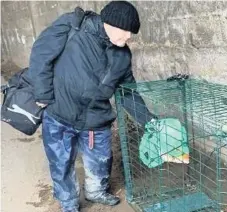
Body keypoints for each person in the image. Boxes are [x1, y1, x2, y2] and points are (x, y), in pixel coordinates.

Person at [27, 1, 153, 212]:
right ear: (110, 23)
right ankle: (68, 203)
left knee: (100, 160)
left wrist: (148, 120)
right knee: (61, 163)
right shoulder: (73, 26)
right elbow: (41, 55)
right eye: (126, 30)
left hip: (96, 119)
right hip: (60, 112)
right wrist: (42, 94)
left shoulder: (122, 56)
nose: (129, 36)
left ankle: (96, 192)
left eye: (132, 32)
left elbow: (127, 93)